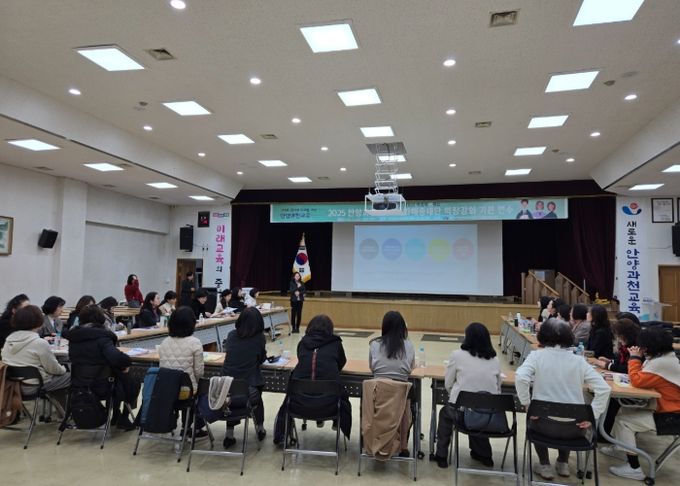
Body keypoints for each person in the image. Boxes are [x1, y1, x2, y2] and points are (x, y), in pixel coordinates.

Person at [515, 319, 610, 480]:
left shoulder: (536, 356)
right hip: (574, 429)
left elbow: (521, 377)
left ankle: (544, 464)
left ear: (542, 336)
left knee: (536, 417)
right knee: (567, 415)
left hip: (543, 425)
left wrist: (527, 404)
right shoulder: (579, 361)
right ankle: (563, 463)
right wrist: (592, 416)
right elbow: (604, 388)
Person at [604, 327, 680, 480]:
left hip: (672, 417)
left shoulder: (662, 363)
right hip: (668, 410)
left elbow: (637, 380)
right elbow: (640, 376)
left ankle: (634, 468)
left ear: (650, 347)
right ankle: (621, 448)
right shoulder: (665, 358)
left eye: (643, 346)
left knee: (624, 422)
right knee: (625, 410)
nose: (641, 349)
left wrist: (634, 358)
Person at [433, 322, 503, 468]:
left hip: (461, 414)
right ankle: (484, 455)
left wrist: (456, 394)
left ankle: (441, 455)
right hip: (488, 416)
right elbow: (498, 389)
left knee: (446, 413)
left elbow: (448, 383)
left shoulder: (457, 355)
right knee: (479, 411)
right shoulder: (495, 360)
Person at [65, 305, 137, 430]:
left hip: (79, 385)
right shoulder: (102, 337)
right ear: (101, 319)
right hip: (102, 386)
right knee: (132, 381)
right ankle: (122, 416)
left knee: (121, 377)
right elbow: (116, 358)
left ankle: (118, 415)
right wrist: (127, 361)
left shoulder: (73, 338)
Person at [289, 314, 351, 434]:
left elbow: (302, 360)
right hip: (330, 404)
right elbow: (341, 362)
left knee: (314, 382)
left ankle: (319, 419)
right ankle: (335, 421)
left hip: (300, 403)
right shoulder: (336, 343)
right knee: (335, 387)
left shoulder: (302, 343)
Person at [1, 305, 71, 408]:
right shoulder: (39, 343)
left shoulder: (9, 340)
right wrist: (64, 369)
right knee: (72, 375)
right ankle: (66, 411)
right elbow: (54, 369)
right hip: (35, 386)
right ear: (39, 322)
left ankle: (60, 410)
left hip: (13, 384)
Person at [369, 310, 415, 456]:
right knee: (409, 402)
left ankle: (372, 441)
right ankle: (403, 445)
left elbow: (372, 368)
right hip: (400, 396)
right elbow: (410, 369)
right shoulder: (409, 346)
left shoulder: (374, 344)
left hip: (378, 395)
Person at [221, 307, 267, 448]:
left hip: (226, 388)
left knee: (233, 396)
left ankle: (229, 434)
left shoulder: (231, 335)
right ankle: (260, 428)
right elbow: (261, 358)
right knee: (257, 393)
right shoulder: (259, 338)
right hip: (249, 390)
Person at [158, 306, 207, 437]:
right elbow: (199, 372)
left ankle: (188, 427)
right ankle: (192, 427)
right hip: (186, 391)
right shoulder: (195, 343)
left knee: (189, 389)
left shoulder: (164, 342)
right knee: (200, 389)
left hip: (166, 390)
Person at [591, 318, 641, 438]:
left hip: (632, 388)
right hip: (626, 383)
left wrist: (607, 365)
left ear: (624, 335)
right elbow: (621, 362)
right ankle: (601, 430)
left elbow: (627, 368)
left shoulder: (636, 348)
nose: (617, 338)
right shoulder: (626, 346)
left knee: (611, 399)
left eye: (618, 335)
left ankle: (604, 433)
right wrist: (610, 361)